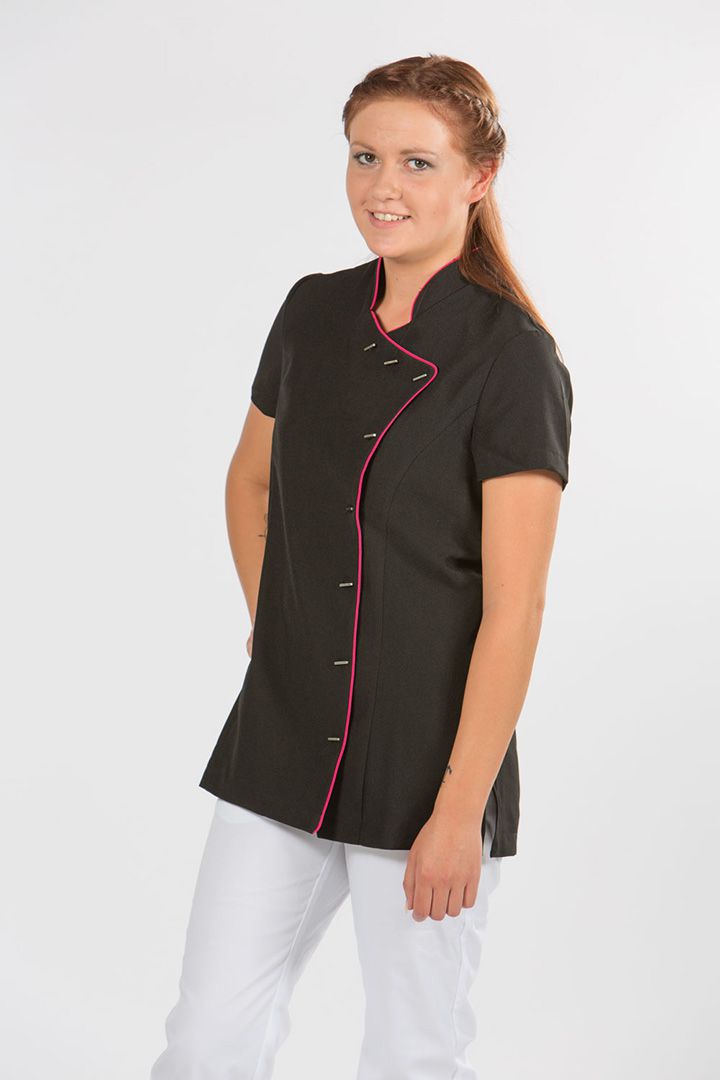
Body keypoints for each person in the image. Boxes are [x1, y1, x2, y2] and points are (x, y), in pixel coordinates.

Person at [150, 53, 573, 1080]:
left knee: (411, 1053)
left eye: (418, 162)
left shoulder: (514, 358)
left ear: (480, 176)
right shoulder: (311, 311)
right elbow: (250, 482)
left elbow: (515, 609)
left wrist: (458, 811)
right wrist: (277, 621)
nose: (384, 187)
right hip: (284, 735)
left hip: (429, 761)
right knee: (206, 1039)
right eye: (364, 157)